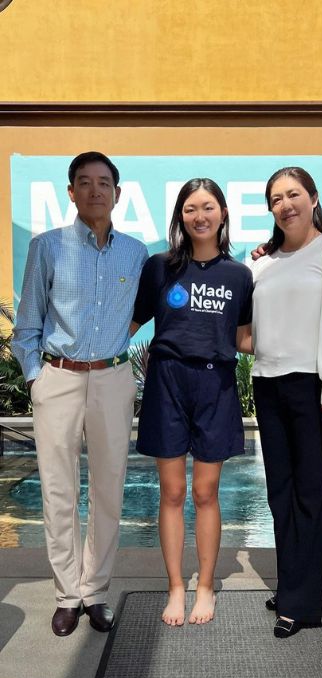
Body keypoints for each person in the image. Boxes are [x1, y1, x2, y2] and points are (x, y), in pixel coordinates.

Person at [12, 152, 148, 636]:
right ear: (71, 192)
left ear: (117, 192)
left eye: (104, 183)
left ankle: (96, 593)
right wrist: (36, 379)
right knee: (58, 490)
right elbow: (26, 323)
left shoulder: (135, 253)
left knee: (109, 489)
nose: (95, 190)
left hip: (112, 378)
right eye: (85, 183)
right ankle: (67, 595)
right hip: (59, 376)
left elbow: (164, 299)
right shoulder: (47, 248)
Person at [131, 178, 253, 627]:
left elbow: (245, 339)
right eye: (189, 208)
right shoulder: (160, 267)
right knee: (172, 492)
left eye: (207, 207)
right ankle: (176, 587)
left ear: (222, 213)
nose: (199, 216)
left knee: (205, 493)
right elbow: (130, 323)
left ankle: (205, 585)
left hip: (215, 386)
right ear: (180, 216)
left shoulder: (239, 275)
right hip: (167, 383)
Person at [251, 167, 322, 638]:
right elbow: (247, 331)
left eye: (294, 194)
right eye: (276, 198)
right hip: (267, 383)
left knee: (311, 494)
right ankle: (293, 584)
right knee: (280, 495)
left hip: (311, 386)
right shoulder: (261, 262)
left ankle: (305, 604)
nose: (286, 204)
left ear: (313, 199)